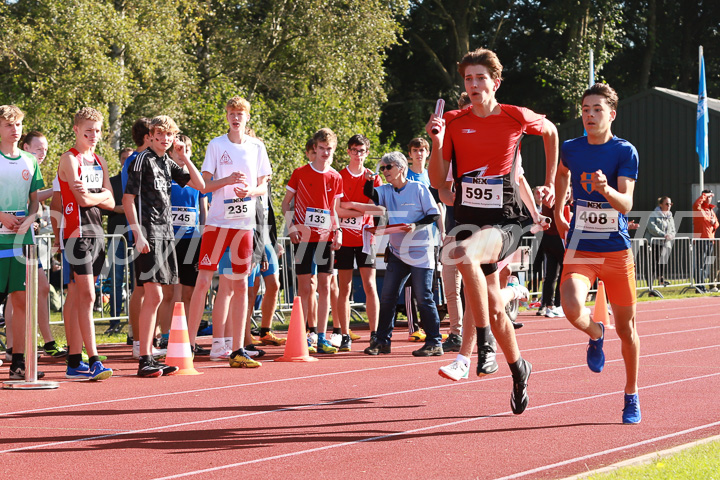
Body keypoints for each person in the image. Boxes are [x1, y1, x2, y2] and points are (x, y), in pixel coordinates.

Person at [426, 48, 558, 414]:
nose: (473, 84)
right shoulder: (452, 121)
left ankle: (481, 349)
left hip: (506, 218)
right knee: (496, 308)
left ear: (495, 82)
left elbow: (550, 131)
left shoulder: (515, 116)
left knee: (463, 256)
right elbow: (439, 183)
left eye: (480, 78)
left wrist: (549, 183)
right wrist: (437, 143)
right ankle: (519, 369)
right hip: (468, 217)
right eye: (468, 78)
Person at [554, 83, 641, 424]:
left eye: (597, 110)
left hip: (616, 250)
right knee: (571, 307)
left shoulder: (624, 151)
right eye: (585, 109)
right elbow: (562, 173)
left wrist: (606, 189)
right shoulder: (571, 148)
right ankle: (594, 333)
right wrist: (560, 207)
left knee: (627, 329)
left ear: (611, 114)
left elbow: (627, 203)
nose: (589, 115)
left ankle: (631, 394)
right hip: (581, 246)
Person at [185, 96, 270, 368]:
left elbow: (263, 187)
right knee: (204, 281)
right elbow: (205, 186)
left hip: (244, 224)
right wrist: (229, 181)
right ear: (226, 116)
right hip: (218, 222)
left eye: (240, 114)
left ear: (247, 117)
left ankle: (237, 349)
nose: (236, 118)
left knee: (241, 284)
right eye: (231, 113)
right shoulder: (216, 144)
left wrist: (249, 192)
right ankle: (187, 343)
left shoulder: (257, 147)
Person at [124, 115, 205, 377]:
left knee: (159, 294)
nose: (164, 138)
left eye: (169, 134)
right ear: (150, 135)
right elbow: (127, 200)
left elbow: (200, 185)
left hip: (166, 233)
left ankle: (148, 356)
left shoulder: (166, 161)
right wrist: (138, 233)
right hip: (148, 232)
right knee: (155, 294)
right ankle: (144, 356)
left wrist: (184, 155)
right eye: (159, 133)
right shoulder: (141, 160)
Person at [362, 152, 443, 356]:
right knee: (387, 297)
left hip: (420, 252)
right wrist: (369, 180)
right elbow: (370, 195)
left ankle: (434, 342)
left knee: (424, 298)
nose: (385, 171)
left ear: (401, 168)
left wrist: (414, 225)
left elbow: (434, 214)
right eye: (383, 168)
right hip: (397, 252)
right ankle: (382, 341)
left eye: (388, 167)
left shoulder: (418, 188)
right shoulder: (387, 190)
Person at [57, 107, 115, 380]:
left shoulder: (100, 160)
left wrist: (96, 195)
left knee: (79, 298)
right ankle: (93, 360)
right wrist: (99, 195)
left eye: (98, 130)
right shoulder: (69, 159)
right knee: (89, 296)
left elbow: (112, 203)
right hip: (75, 235)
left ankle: (73, 362)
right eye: (88, 130)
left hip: (97, 234)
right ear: (76, 130)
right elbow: (81, 201)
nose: (93, 135)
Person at [282, 128, 349, 355]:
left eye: (329, 149)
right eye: (321, 148)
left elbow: (333, 209)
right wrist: (291, 227)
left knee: (325, 286)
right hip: (303, 237)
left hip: (325, 238)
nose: (325, 152)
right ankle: (303, 334)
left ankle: (321, 336)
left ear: (334, 150)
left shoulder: (336, 177)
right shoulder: (300, 173)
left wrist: (338, 230)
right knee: (304, 287)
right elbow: (285, 203)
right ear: (315, 149)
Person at [0, 105, 46, 378]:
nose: (15, 129)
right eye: (8, 125)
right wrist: (2, 216)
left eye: (17, 124)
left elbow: (35, 203)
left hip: (23, 240)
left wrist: (30, 219)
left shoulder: (30, 160)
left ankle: (19, 361)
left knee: (22, 300)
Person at [156, 135, 207, 353]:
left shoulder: (196, 179)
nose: (180, 153)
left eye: (185, 149)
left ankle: (185, 335)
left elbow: (203, 208)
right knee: (169, 293)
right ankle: (166, 335)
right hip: (170, 239)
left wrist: (205, 232)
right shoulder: (166, 176)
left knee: (189, 291)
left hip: (192, 239)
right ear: (170, 152)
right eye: (177, 150)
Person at [334, 134, 383, 352]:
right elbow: (337, 209)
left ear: (367, 152)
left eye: (361, 150)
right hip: (344, 237)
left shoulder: (372, 178)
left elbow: (379, 209)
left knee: (370, 285)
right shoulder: (339, 176)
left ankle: (375, 333)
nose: (358, 154)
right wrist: (359, 208)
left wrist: (352, 204)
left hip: (366, 237)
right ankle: (344, 333)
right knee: (344, 287)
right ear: (348, 152)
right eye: (354, 150)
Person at [102, 147, 134, 334]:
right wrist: (123, 208)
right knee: (116, 279)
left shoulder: (139, 181)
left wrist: (124, 207)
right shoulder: (112, 182)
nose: (126, 162)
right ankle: (114, 320)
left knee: (138, 281)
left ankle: (134, 321)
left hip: (137, 236)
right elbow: (106, 207)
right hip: (116, 236)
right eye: (123, 159)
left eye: (129, 159)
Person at [644, 196, 675, 287]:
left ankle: (661, 280)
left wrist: (671, 235)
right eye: (666, 204)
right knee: (652, 264)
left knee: (662, 263)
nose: (669, 205)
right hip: (653, 243)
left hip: (664, 243)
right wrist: (663, 235)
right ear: (661, 204)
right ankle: (650, 285)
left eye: (670, 204)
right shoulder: (654, 214)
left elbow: (673, 229)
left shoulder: (670, 216)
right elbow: (651, 227)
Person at [692, 190, 718, 292]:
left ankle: (702, 285)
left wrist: (714, 222)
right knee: (700, 264)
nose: (709, 198)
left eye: (710, 196)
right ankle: (699, 285)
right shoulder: (698, 208)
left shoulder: (710, 210)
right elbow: (696, 204)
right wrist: (704, 195)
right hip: (701, 239)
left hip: (710, 240)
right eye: (707, 196)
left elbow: (717, 224)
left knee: (706, 264)